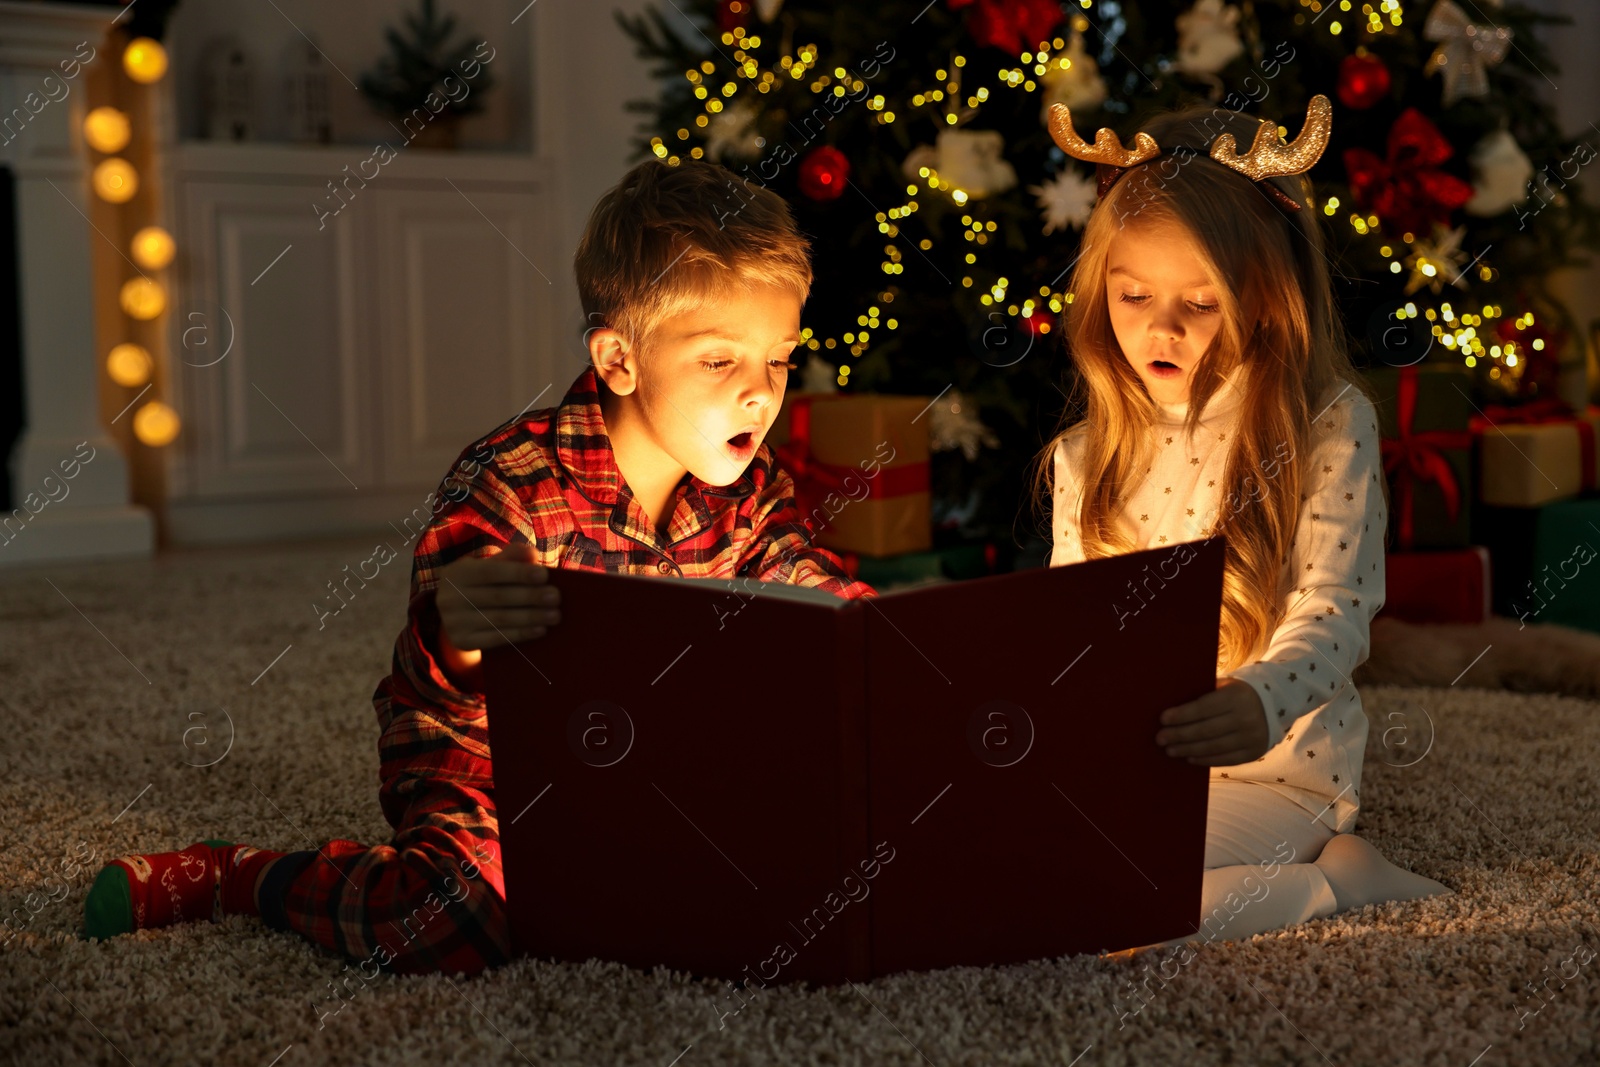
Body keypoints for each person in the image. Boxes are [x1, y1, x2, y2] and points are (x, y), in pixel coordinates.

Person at [82, 159, 874, 977]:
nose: (761, 393)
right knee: (449, 918)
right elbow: (443, 662)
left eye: (779, 358)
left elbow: (809, 579)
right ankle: (245, 878)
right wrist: (464, 626)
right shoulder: (506, 475)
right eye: (721, 362)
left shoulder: (755, 487)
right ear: (618, 360)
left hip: (661, 769)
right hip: (491, 760)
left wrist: (876, 637)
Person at [1039, 95, 1449, 948]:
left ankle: (1335, 881)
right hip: (1135, 768)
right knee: (1006, 870)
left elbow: (1337, 609)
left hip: (1280, 779)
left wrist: (1262, 701)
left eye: (1202, 301)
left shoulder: (1328, 422)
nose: (1161, 326)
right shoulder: (1085, 453)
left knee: (1114, 908)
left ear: (1263, 297)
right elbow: (1066, 632)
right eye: (1134, 295)